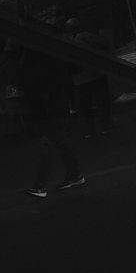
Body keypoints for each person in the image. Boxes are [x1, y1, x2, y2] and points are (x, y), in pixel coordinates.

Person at [18, 43, 84, 197]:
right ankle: (74, 174)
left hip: (49, 110)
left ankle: (41, 185)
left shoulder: (35, 64)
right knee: (58, 142)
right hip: (57, 107)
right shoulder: (52, 61)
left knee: (50, 144)